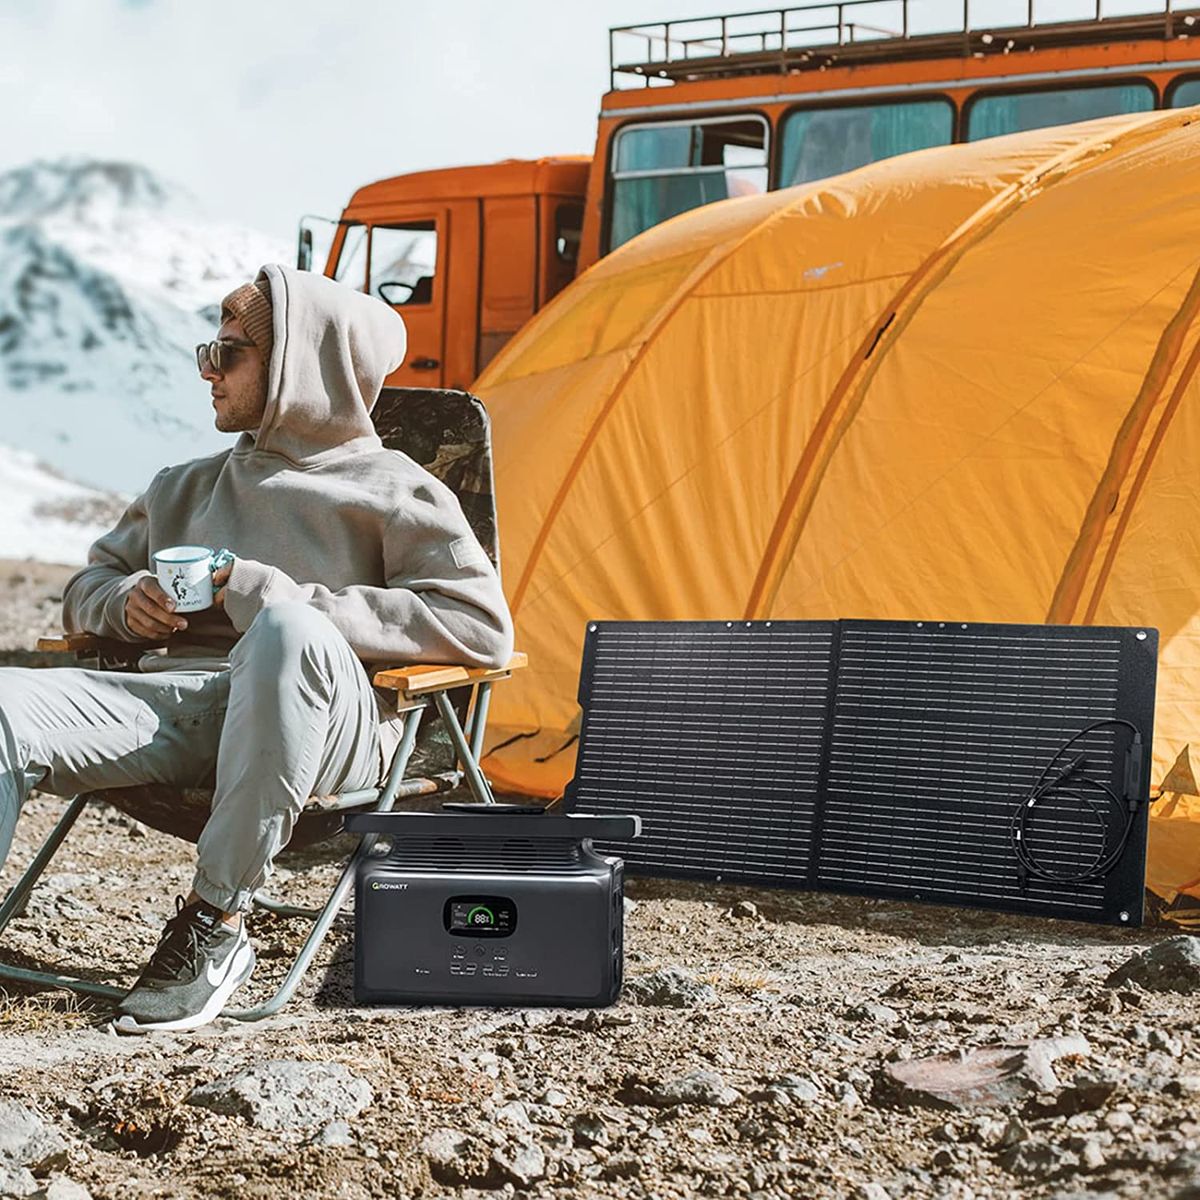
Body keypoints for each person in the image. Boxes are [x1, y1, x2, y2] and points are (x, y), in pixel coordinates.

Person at [0, 265, 514, 1032]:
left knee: (286, 630)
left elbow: (480, 627)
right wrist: (122, 603)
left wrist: (267, 592)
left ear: (298, 365)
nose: (206, 367)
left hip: (326, 727)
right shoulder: (184, 486)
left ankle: (215, 923)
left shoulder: (396, 489)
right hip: (176, 712)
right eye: (209, 348)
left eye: (230, 352)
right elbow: (90, 584)